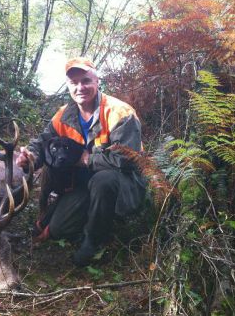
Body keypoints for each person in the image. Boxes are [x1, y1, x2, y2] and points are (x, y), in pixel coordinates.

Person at [16, 57, 146, 266]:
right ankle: (82, 214)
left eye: (86, 81)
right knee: (59, 230)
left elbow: (126, 159)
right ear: (68, 86)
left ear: (97, 81)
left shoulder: (120, 113)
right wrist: (30, 156)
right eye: (74, 83)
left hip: (125, 183)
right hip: (85, 184)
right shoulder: (64, 115)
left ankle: (94, 241)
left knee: (103, 180)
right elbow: (43, 142)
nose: (80, 87)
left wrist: (86, 159)